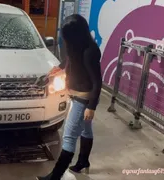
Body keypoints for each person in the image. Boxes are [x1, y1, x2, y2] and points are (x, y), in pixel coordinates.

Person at [36, 14, 102, 180]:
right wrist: (56, 70)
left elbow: (97, 83)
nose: (65, 41)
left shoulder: (89, 52)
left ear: (76, 36)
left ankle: (55, 177)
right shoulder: (77, 48)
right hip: (76, 96)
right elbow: (69, 60)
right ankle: (83, 162)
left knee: (69, 136)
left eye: (67, 38)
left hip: (83, 99)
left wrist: (91, 107)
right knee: (86, 130)